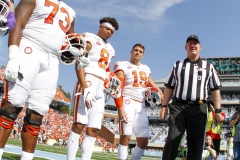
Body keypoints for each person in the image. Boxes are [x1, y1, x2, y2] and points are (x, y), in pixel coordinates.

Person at [0, 0, 75, 159]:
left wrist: (78, 53)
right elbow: (17, 22)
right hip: (30, 48)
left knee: (37, 116)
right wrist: (13, 56)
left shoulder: (71, 12)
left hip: (52, 61)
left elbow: (69, 42)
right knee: (10, 107)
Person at [160, 35, 222, 160]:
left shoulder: (208, 67)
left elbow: (215, 90)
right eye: (190, 43)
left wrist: (218, 111)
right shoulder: (177, 65)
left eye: (195, 43)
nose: (192, 45)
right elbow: (169, 87)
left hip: (199, 108)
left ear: (200, 47)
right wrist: (164, 105)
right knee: (172, 139)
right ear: (185, 47)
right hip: (179, 107)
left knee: (196, 144)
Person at [66, 17, 119, 160]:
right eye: (107, 28)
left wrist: (108, 80)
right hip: (87, 80)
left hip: (100, 87)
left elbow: (106, 69)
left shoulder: (110, 49)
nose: (109, 32)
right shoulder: (90, 38)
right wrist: (84, 86)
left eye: (112, 31)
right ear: (100, 26)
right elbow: (80, 60)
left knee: (94, 128)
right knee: (78, 125)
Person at [113, 43, 163, 160]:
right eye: (136, 50)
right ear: (131, 52)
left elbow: (150, 82)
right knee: (125, 137)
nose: (138, 52)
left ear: (143, 55)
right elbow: (117, 88)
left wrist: (159, 90)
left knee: (143, 140)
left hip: (141, 105)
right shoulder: (123, 65)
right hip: (127, 102)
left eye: (140, 51)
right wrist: (120, 108)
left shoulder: (145, 68)